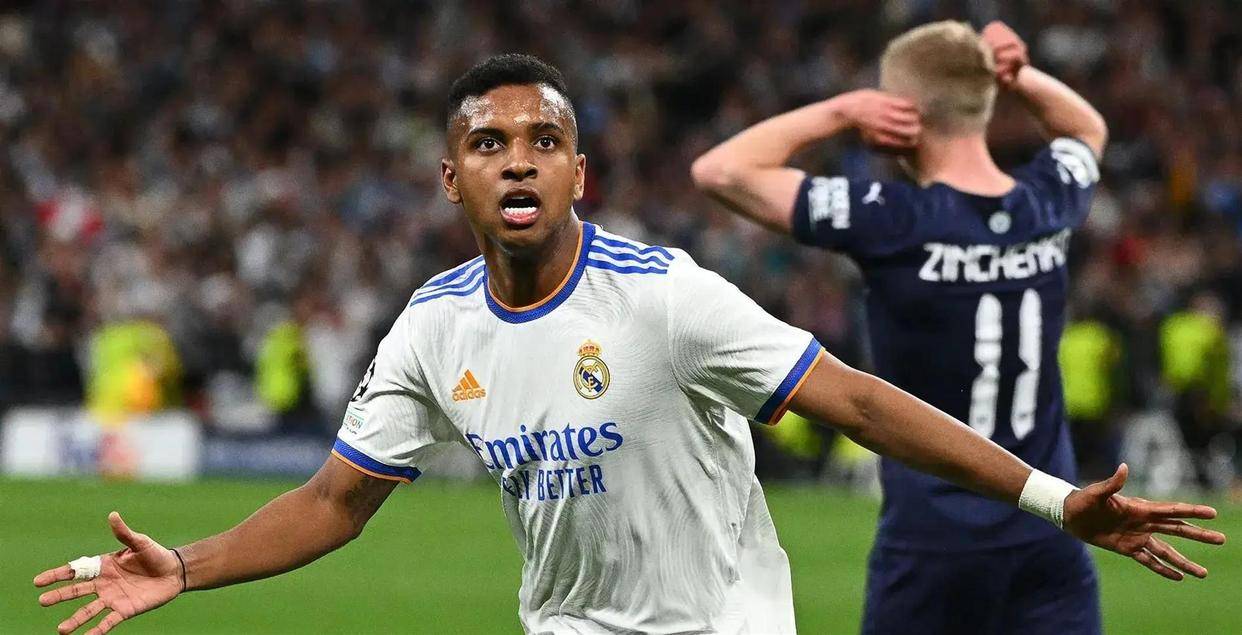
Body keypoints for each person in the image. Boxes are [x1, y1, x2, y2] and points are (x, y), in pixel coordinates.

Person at [36, 53, 1224, 635]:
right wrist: (184, 563)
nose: (517, 160)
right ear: (451, 178)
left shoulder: (666, 299)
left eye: (543, 142)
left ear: (578, 173)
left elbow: (859, 401)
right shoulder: (432, 326)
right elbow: (334, 500)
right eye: (489, 143)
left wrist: (1055, 498)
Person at [691, 19, 1159, 634]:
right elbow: (1086, 129)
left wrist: (840, 111)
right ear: (984, 101)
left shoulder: (892, 218)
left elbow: (721, 171)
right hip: (1048, 527)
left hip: (933, 541)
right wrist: (1021, 76)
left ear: (899, 113)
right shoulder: (1046, 202)